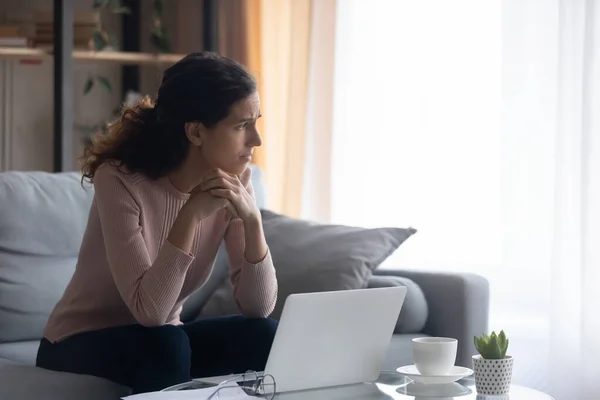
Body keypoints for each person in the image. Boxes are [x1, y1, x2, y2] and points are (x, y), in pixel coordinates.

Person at [35, 52, 279, 394]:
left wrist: (252, 221)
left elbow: (258, 306)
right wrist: (191, 213)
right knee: (166, 343)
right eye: (241, 126)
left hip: (163, 335)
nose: (256, 139)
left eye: (255, 122)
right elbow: (149, 311)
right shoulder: (119, 180)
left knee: (265, 334)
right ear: (195, 132)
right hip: (78, 340)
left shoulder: (237, 182)